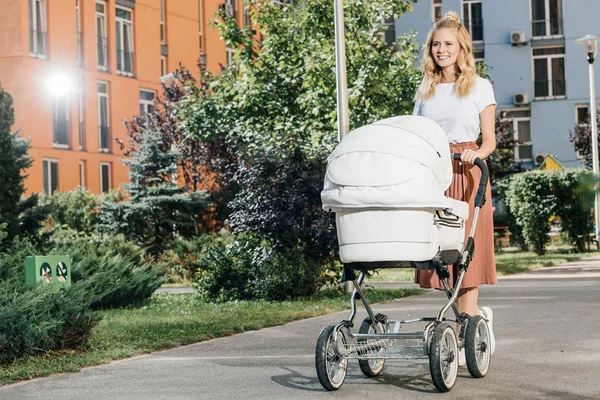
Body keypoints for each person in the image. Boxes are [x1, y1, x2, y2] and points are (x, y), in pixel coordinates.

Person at [412, 11, 497, 364]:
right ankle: (469, 322)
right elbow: (415, 134)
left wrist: (474, 153)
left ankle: (469, 324)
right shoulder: (425, 89)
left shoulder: (479, 86)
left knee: (467, 253)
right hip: (437, 174)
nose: (441, 50)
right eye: (436, 45)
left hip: (468, 171)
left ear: (461, 48)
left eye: (448, 44)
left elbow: (490, 139)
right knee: (442, 254)